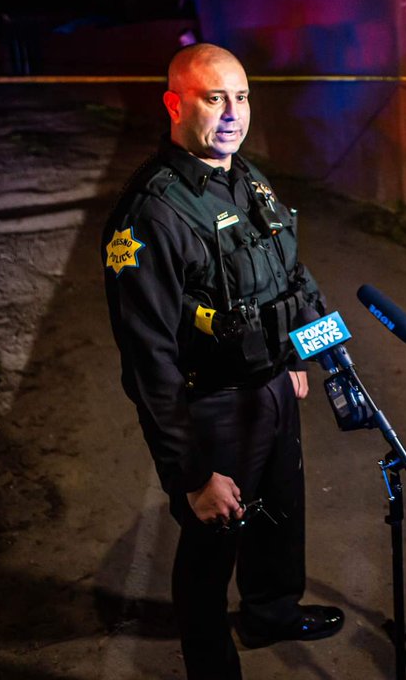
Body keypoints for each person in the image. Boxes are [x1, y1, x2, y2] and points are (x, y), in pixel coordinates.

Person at [102, 43, 343, 679]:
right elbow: (147, 360)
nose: (233, 113)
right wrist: (188, 475)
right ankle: (212, 666)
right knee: (212, 542)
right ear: (175, 104)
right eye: (215, 98)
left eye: (241, 97)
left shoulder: (247, 177)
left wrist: (300, 353)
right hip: (210, 404)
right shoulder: (152, 212)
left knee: (279, 515)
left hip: (270, 387)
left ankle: (271, 612)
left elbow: (290, 273)